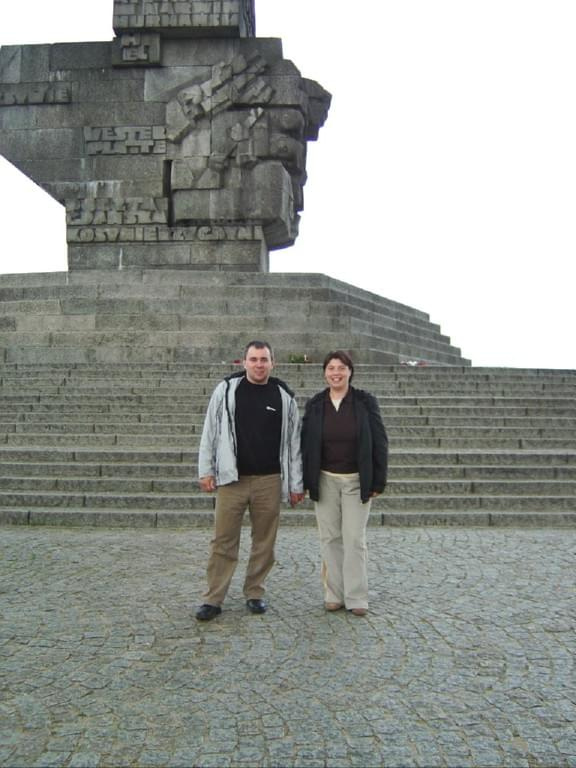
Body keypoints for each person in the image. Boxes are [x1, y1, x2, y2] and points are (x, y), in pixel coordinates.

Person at [195, 340, 305, 621]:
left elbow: (293, 444)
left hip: (269, 479)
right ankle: (213, 598)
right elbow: (210, 431)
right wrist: (206, 470)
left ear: (273, 363)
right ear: (243, 362)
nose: (259, 364)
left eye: (264, 359)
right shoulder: (227, 390)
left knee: (264, 541)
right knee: (223, 540)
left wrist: (295, 485)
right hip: (232, 479)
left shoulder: (284, 397)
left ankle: (255, 592)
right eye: (253, 359)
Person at [301, 350, 388, 616]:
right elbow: (305, 443)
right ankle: (334, 593)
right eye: (331, 368)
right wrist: (305, 480)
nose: (336, 373)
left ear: (350, 371)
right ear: (325, 372)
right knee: (330, 538)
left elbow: (379, 440)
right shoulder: (316, 404)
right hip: (325, 479)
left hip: (356, 480)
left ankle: (357, 596)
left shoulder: (364, 402)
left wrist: (378, 479)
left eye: (341, 368)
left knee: (354, 539)